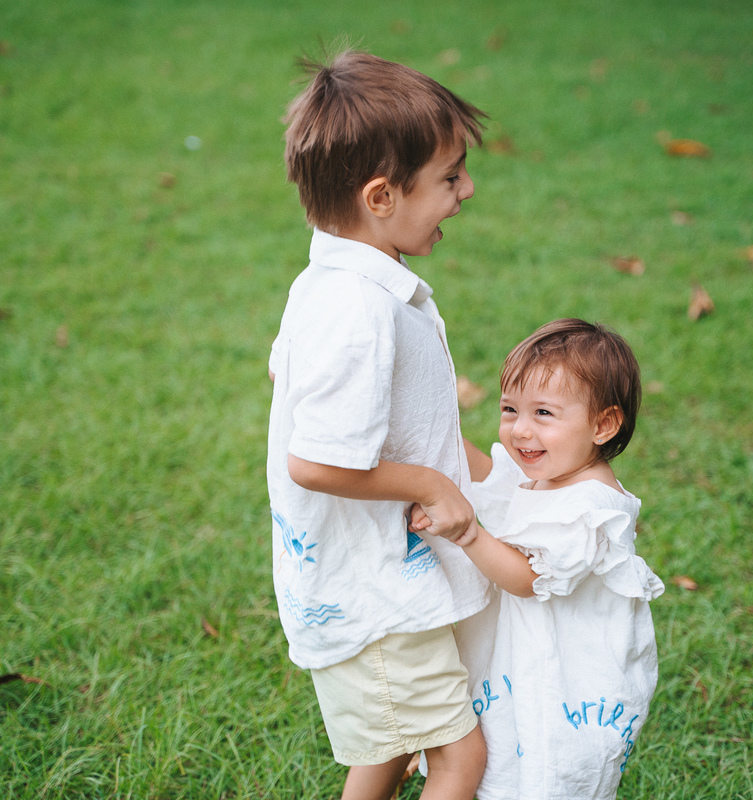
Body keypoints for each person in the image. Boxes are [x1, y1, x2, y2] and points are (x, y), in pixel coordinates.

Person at [266, 50, 491, 800]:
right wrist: (430, 480)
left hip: (379, 587)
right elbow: (316, 460)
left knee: (392, 750)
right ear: (382, 196)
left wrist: (474, 468)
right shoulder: (358, 311)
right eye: (450, 177)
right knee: (458, 759)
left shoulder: (334, 284)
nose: (466, 191)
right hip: (374, 600)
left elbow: (367, 411)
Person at [410, 318, 665, 800]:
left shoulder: (590, 508)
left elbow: (527, 578)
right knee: (502, 764)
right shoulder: (548, 476)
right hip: (519, 665)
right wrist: (423, 426)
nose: (520, 430)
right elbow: (485, 474)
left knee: (543, 777)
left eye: (543, 413)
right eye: (510, 409)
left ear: (603, 424)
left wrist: (468, 531)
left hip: (564, 682)